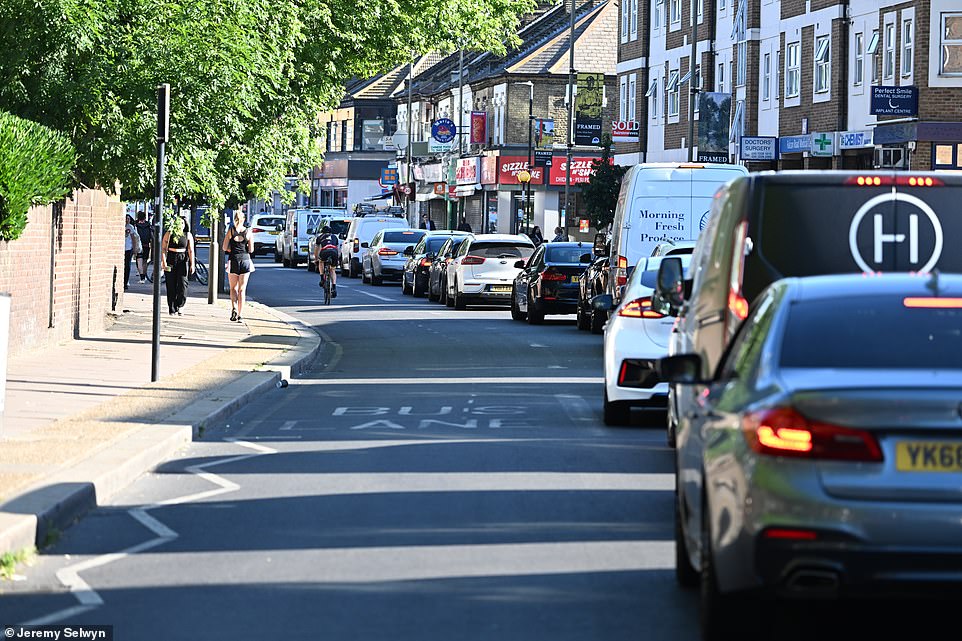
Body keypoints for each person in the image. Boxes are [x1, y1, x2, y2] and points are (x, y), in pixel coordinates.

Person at [222, 210, 255, 322]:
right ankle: (240, 314)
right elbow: (251, 249)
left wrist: (232, 249)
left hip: (233, 260)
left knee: (233, 288)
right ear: (244, 219)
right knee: (242, 289)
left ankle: (234, 307)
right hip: (245, 260)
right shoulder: (248, 232)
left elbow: (224, 247)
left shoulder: (231, 231)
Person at [161, 214, 195, 316]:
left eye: (182, 223)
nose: (181, 225)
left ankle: (180, 305)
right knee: (170, 284)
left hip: (182, 259)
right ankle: (172, 308)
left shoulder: (187, 235)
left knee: (182, 283)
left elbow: (191, 250)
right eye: (179, 223)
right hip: (171, 258)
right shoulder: (170, 233)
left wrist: (192, 264)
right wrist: (164, 261)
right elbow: (163, 248)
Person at [313, 225, 340, 298]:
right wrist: (338, 258)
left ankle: (322, 278)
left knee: (321, 262)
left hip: (325, 251)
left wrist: (316, 259)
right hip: (334, 252)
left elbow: (316, 249)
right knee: (333, 269)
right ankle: (334, 287)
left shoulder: (320, 237)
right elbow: (338, 249)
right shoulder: (334, 237)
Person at [123, 214, 140, 290]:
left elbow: (134, 238)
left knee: (127, 266)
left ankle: (125, 282)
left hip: (128, 248)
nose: (127, 220)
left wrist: (134, 248)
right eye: (126, 218)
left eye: (128, 219)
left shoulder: (130, 227)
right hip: (122, 249)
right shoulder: (121, 226)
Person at [135, 211, 152, 283]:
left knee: (139, 260)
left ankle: (141, 277)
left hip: (139, 244)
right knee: (145, 260)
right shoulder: (148, 224)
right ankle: (144, 277)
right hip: (146, 245)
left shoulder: (136, 225)